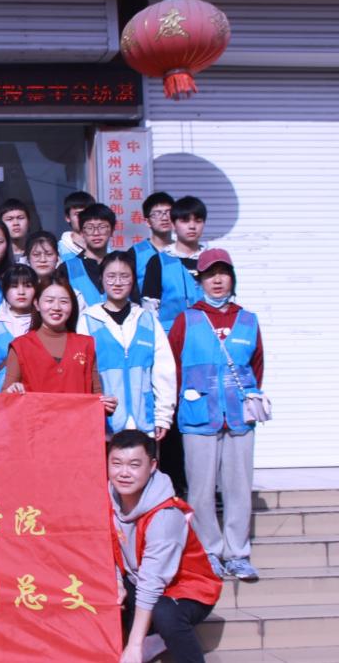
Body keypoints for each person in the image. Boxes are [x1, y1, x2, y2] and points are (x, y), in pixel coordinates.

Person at [168, 248, 265, 580]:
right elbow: (173, 366)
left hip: (239, 417)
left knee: (239, 486)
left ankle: (237, 553)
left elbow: (256, 367)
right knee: (200, 488)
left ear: (232, 279)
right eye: (211, 274)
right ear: (201, 281)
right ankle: (209, 550)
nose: (218, 280)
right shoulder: (187, 319)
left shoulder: (248, 320)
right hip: (198, 416)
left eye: (223, 273)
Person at [109, 430, 222, 663]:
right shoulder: (107, 497)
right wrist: (116, 582)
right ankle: (153, 638)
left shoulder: (165, 515)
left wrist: (135, 645)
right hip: (136, 580)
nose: (124, 473)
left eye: (134, 465)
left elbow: (152, 581)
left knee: (165, 613)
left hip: (186, 588)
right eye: (117, 463)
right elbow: (105, 548)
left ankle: (158, 642)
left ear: (152, 466)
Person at [77, 253, 175, 440]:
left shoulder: (147, 319)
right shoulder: (88, 320)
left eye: (124, 276)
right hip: (105, 424)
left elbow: (164, 370)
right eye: (111, 276)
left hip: (144, 422)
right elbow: (82, 372)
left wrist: (163, 416)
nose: (117, 282)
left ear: (133, 280)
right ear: (101, 279)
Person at [1, 276, 117, 418]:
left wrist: (106, 405)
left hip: (77, 427)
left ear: (72, 306)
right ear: (37, 304)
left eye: (63, 301)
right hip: (36, 427)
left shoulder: (85, 344)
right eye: (49, 301)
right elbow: (5, 398)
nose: (56, 307)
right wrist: (12, 391)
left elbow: (96, 395)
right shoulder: (21, 346)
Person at [142, 196, 206, 333]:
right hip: (169, 337)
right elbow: (149, 309)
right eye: (185, 220)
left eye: (198, 220)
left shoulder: (212, 260)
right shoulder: (158, 261)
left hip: (206, 336)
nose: (192, 226)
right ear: (173, 223)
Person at [0, 265, 36, 393]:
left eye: (27, 286)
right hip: (1, 397)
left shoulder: (43, 327)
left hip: (36, 397)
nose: (21, 292)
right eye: (14, 286)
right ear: (5, 291)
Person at [57, 203, 116, 308]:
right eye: (89, 227)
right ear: (82, 232)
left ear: (112, 230)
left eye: (102, 227)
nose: (96, 233)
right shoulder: (67, 269)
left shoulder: (122, 265)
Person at [130, 192, 175, 292]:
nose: (164, 218)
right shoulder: (135, 253)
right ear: (147, 222)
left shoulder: (182, 250)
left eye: (168, 212)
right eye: (157, 214)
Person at [58, 191, 94, 259]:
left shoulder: (105, 250)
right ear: (68, 218)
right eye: (78, 214)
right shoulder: (58, 250)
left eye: (87, 213)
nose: (83, 217)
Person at [0, 198, 31, 263]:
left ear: (29, 222)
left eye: (20, 218)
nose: (16, 223)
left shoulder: (37, 254)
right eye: (9, 219)